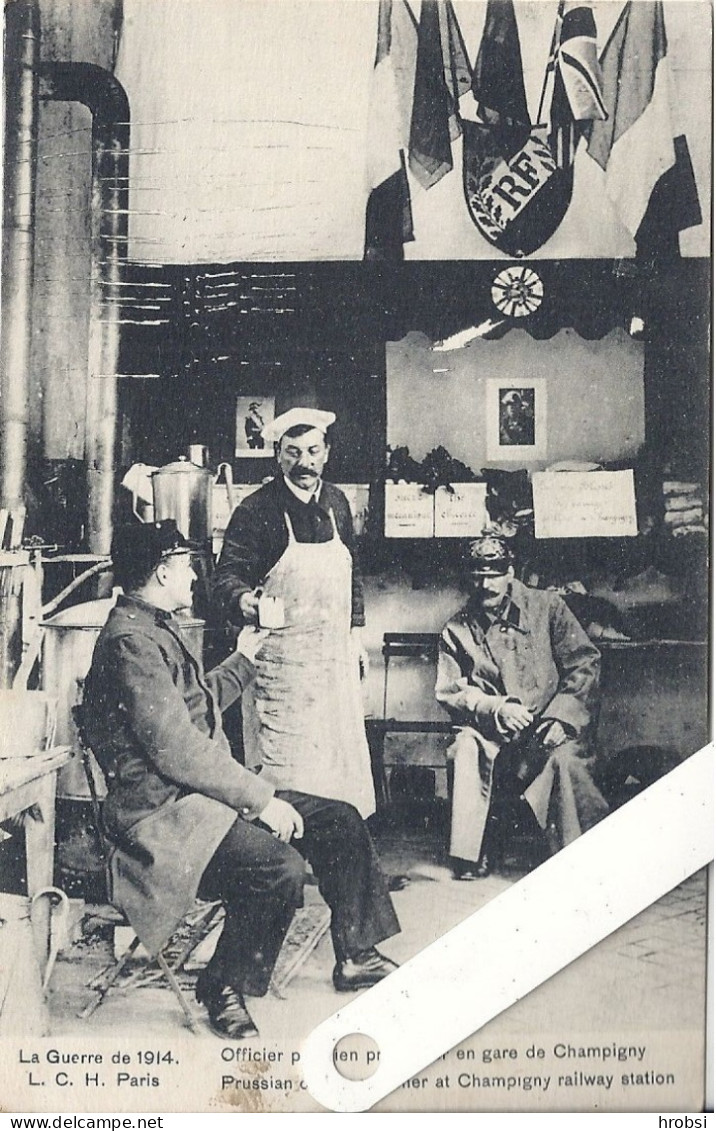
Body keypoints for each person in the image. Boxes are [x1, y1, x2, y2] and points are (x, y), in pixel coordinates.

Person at [82, 520, 399, 1041]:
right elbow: (177, 747)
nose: (193, 579)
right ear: (163, 572)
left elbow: (192, 708)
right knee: (278, 868)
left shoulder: (150, 626)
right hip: (162, 818)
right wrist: (261, 799)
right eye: (187, 567)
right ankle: (221, 985)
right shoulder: (129, 643)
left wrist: (245, 659)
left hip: (196, 800)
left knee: (338, 818)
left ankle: (357, 955)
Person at [212, 406, 376, 818]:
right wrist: (245, 601)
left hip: (332, 663)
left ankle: (335, 855)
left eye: (313, 451)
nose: (304, 462)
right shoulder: (256, 510)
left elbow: (351, 571)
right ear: (278, 455)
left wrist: (355, 635)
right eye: (293, 452)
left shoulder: (338, 501)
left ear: (327, 452)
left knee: (336, 766)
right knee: (286, 772)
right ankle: (284, 860)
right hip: (281, 670)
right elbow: (227, 577)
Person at [435, 535, 609, 880]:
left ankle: (575, 853)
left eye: (495, 573)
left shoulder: (548, 607)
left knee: (564, 759)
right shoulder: (456, 628)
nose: (486, 584)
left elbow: (585, 663)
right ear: (468, 578)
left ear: (510, 571)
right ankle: (475, 849)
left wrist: (561, 716)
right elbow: (451, 691)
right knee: (465, 747)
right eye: (477, 575)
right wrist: (495, 708)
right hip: (493, 730)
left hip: (548, 723)